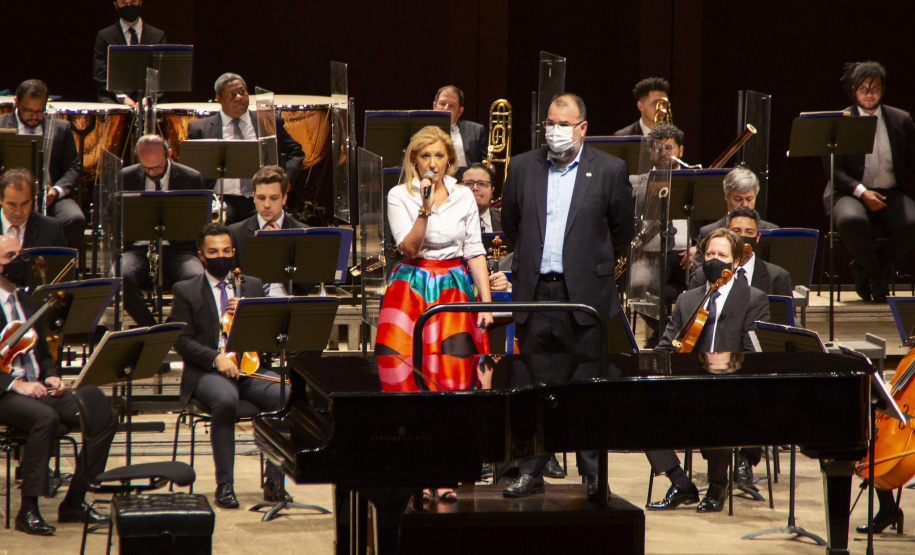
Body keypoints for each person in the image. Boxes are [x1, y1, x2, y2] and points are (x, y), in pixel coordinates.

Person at [501, 93, 633, 501]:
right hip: (537, 294)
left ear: (582, 128)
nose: (554, 131)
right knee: (536, 387)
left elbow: (621, 231)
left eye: (563, 124)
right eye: (550, 123)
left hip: (586, 297)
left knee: (588, 388)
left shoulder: (610, 170)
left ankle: (594, 475)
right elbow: (510, 226)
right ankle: (533, 470)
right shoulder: (522, 167)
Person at [167, 222, 292, 509]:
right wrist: (215, 358)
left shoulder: (252, 285)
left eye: (226, 250)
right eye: (213, 252)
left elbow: (268, 338)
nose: (220, 256)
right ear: (201, 256)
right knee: (225, 399)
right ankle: (225, 485)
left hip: (249, 368)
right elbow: (181, 340)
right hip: (208, 371)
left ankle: (275, 482)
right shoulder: (186, 290)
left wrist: (250, 314)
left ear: (233, 252)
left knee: (284, 394)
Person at [0, 235, 117, 535]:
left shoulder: (29, 302)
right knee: (46, 418)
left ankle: (75, 500)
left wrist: (51, 374)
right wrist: (15, 385)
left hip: (38, 387)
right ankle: (28, 509)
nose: (19, 262)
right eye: (10, 256)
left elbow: (42, 353)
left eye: (20, 254)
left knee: (102, 415)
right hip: (6, 392)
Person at [647, 228, 770, 513]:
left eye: (722, 255)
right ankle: (680, 483)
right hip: (687, 385)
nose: (715, 260)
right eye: (710, 254)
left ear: (736, 261)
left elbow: (754, 355)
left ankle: (718, 485)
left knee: (715, 408)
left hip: (732, 389)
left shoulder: (753, 299)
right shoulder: (688, 299)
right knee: (640, 407)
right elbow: (666, 345)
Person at [824, 61, 915, 303]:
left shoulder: (901, 120)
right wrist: (862, 192)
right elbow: (834, 170)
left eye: (875, 88)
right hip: (849, 191)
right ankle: (877, 277)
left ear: (883, 89)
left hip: (890, 192)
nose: (869, 93)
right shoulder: (841, 121)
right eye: (863, 88)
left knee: (913, 224)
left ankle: (864, 267)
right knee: (851, 220)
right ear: (854, 89)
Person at [186, 73, 305, 225]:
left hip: (259, 198)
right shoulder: (199, 129)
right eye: (232, 94)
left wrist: (286, 181)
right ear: (219, 99)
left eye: (242, 92)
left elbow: (296, 152)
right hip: (220, 199)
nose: (239, 97)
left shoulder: (268, 122)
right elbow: (189, 169)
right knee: (216, 228)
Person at [119, 135, 206, 327]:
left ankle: (174, 329)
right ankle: (150, 329)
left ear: (169, 154)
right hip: (138, 248)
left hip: (179, 250)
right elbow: (112, 216)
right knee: (119, 276)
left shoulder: (190, 178)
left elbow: (199, 222)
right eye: (146, 167)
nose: (152, 172)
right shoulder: (124, 177)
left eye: (157, 167)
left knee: (198, 278)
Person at [0, 80, 85, 250]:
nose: (34, 117)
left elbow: (73, 167)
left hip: (50, 197)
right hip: (8, 197)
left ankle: (58, 267)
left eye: (40, 111)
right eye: (29, 111)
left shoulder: (62, 128)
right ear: (16, 103)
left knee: (75, 219)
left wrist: (56, 191)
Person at [632, 123, 689, 347]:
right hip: (651, 255)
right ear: (650, 153)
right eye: (658, 149)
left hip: (687, 256)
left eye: (669, 148)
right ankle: (668, 335)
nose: (664, 153)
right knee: (638, 283)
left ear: (681, 151)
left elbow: (710, 226)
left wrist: (698, 249)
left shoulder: (695, 181)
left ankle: (681, 334)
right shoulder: (640, 184)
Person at [228, 165, 308, 296]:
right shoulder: (236, 232)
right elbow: (233, 280)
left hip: (289, 303)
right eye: (261, 198)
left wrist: (280, 250)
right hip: (252, 305)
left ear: (284, 198)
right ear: (253, 197)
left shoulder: (302, 232)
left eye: (274, 198)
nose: (267, 204)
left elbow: (307, 286)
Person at [689, 167, 779, 276]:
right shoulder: (708, 232)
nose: (745, 204)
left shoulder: (772, 231)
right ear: (726, 196)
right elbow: (697, 277)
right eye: (738, 199)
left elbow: (779, 275)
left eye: (749, 199)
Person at [93, 0, 167, 105]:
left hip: (149, 98)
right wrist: (123, 98)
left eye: (133, 2)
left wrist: (148, 99)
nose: (129, 6)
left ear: (140, 2)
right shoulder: (104, 36)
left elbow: (161, 75)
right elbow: (101, 76)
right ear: (116, 5)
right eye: (123, 3)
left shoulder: (157, 36)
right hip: (113, 97)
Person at [0, 169, 66, 249]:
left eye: (24, 204)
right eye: (12, 204)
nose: (18, 212)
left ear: (32, 200)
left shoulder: (52, 230)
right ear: (1, 199)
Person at [434, 85, 487, 167]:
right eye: (442, 104)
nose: (446, 108)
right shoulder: (422, 130)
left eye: (452, 106)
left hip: (467, 178)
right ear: (434, 106)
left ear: (460, 111)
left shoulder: (477, 130)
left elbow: (485, 161)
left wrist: (490, 167)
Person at [464, 163, 500, 232]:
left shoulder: (506, 222)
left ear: (492, 191)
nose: (475, 188)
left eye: (482, 184)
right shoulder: (448, 221)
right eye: (469, 183)